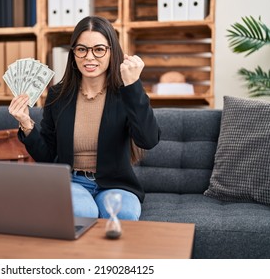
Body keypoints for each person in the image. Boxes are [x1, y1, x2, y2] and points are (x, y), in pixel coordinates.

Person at [8, 16, 161, 221]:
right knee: (83, 212)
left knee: (124, 215)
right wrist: (26, 124)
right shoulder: (58, 95)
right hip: (71, 182)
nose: (89, 57)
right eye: (82, 49)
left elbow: (148, 140)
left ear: (111, 52)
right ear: (73, 53)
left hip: (116, 184)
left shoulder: (126, 93)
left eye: (99, 49)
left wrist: (133, 86)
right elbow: (48, 156)